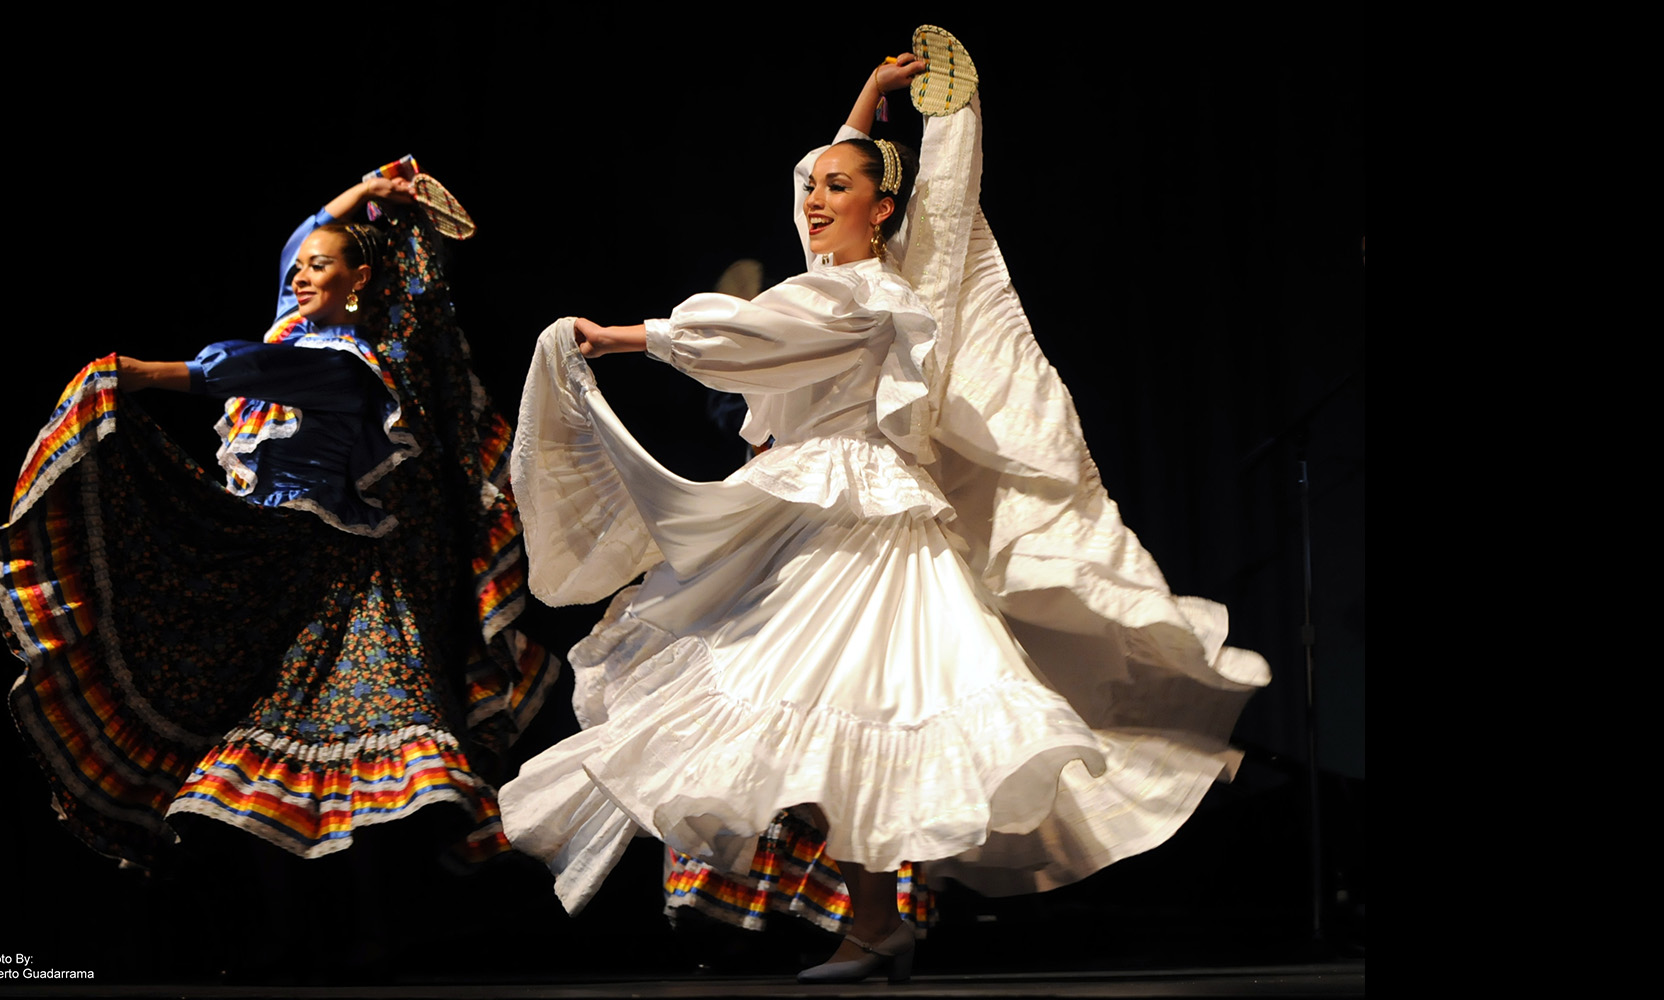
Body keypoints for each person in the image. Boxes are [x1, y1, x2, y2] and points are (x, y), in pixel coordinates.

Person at [496, 40, 1269, 985]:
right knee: (834, 717)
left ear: (884, 208)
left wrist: (626, 336)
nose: (814, 199)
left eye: (836, 187)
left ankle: (875, 920)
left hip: (871, 530)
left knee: (864, 707)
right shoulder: (830, 270)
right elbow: (805, 224)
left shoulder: (870, 295)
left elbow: (757, 332)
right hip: (818, 520)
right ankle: (871, 925)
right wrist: (865, 100)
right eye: (810, 187)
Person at [0, 169, 554, 894]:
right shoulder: (300, 322)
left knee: (351, 748)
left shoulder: (344, 364)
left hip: (336, 573)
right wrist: (371, 185)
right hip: (271, 558)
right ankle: (296, 934)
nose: (303, 273)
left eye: (323, 265)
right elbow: (298, 248)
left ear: (360, 279)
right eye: (303, 266)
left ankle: (371, 929)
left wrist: (141, 373)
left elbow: (253, 368)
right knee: (238, 751)